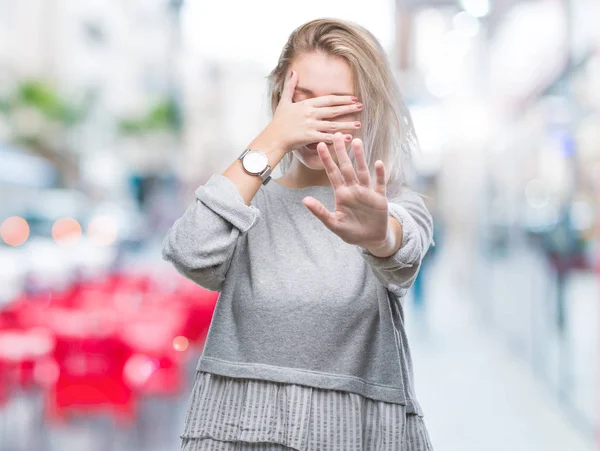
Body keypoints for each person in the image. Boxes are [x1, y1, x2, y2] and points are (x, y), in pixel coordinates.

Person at [162, 18, 435, 451]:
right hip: (240, 428)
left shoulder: (391, 202)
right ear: (278, 100)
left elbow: (403, 254)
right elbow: (190, 252)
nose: (315, 119)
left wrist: (378, 235)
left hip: (354, 431)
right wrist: (270, 142)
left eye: (337, 105)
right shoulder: (246, 202)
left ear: (368, 108)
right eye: (301, 102)